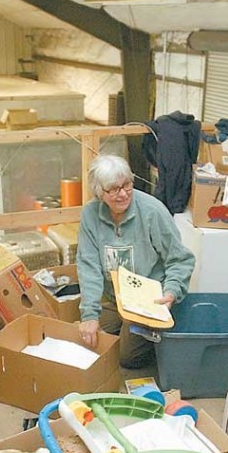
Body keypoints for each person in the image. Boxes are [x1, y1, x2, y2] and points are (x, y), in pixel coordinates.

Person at [76, 154, 195, 368]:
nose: (123, 194)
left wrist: (171, 292)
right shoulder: (90, 214)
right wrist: (90, 314)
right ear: (99, 192)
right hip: (115, 298)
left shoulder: (152, 211)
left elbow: (181, 259)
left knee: (127, 359)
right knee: (85, 338)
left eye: (127, 185)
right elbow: (89, 267)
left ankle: (157, 339)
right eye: (113, 189)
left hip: (147, 301)